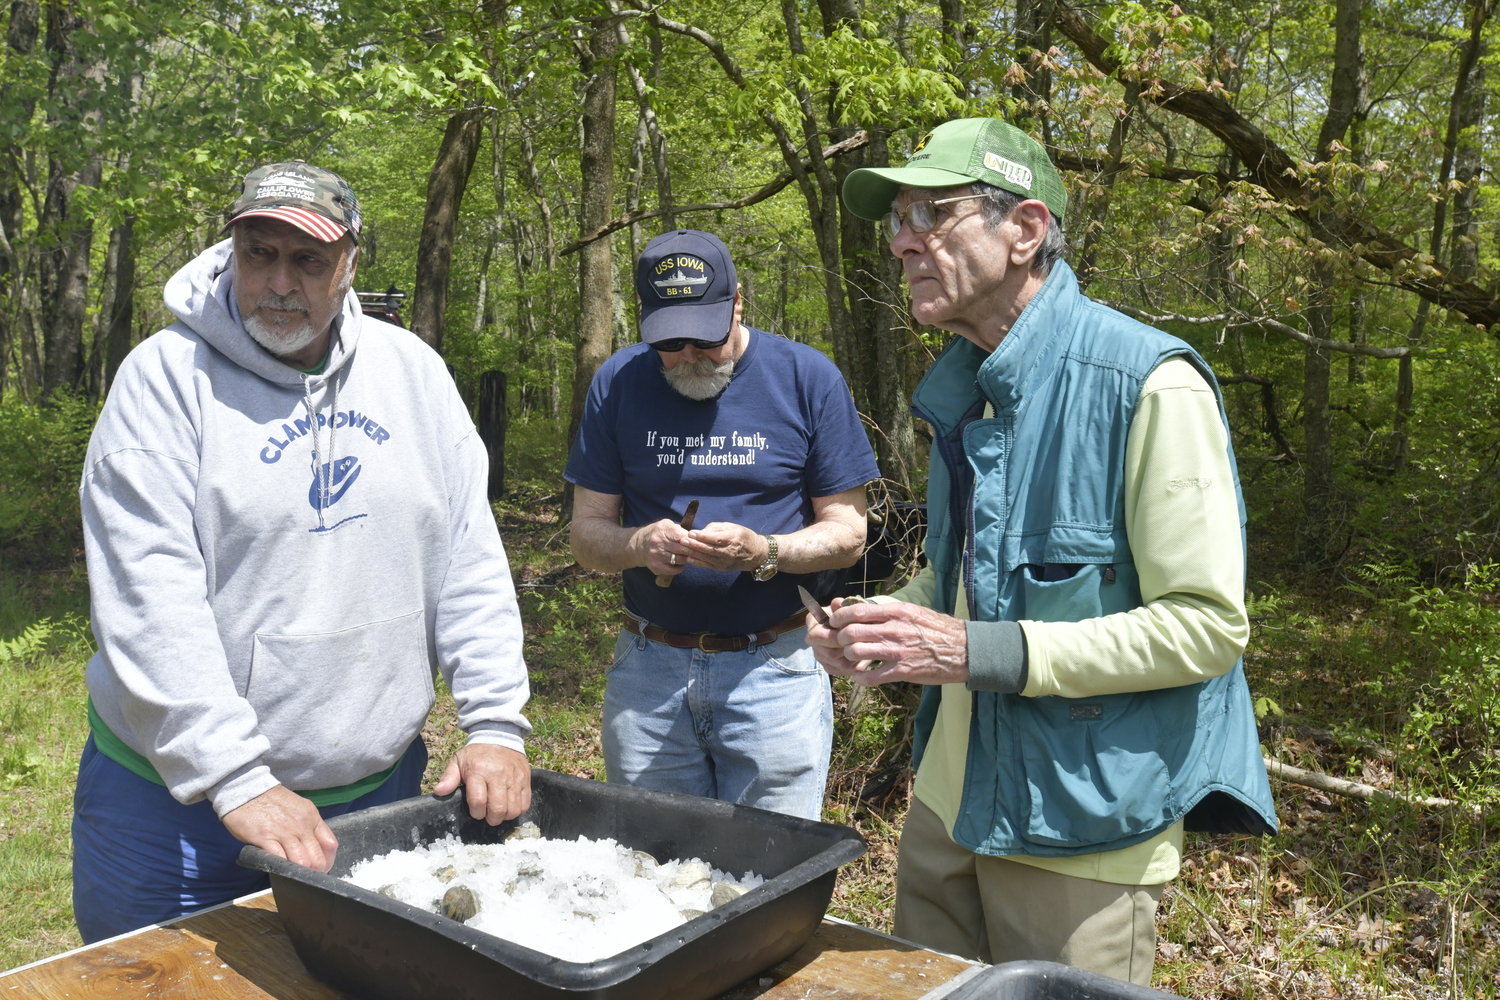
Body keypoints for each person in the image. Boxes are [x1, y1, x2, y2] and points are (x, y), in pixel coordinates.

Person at [808, 118, 1277, 984]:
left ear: (1024, 230)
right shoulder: (963, 388)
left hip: (1079, 826)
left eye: (931, 214)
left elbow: (1206, 629)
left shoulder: (1147, 384)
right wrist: (886, 621)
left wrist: (970, 649)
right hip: (948, 803)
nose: (903, 242)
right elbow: (962, 581)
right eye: (896, 222)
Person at [73, 161, 533, 942]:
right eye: (259, 253)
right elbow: (150, 604)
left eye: (308, 259)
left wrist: (495, 723)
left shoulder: (413, 374)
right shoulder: (163, 382)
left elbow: (468, 563)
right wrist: (235, 777)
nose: (278, 282)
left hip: (377, 793)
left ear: (350, 263)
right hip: (176, 806)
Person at [565, 229, 881, 820]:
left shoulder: (806, 378)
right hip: (649, 669)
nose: (688, 356)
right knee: (649, 865)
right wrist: (638, 544)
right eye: (670, 341)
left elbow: (848, 532)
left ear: (738, 303)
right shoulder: (618, 382)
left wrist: (766, 552)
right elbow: (586, 534)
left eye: (705, 339)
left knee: (770, 868)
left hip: (775, 670)